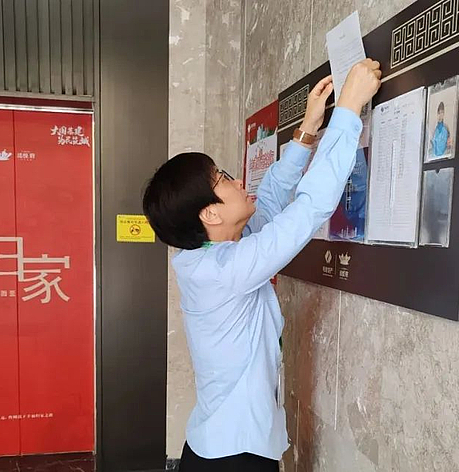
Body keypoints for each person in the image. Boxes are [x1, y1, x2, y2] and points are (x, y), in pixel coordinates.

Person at [142, 59, 381, 471]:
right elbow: (307, 210)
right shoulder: (223, 270)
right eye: (223, 179)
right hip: (234, 458)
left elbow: (268, 201)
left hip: (221, 446)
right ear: (210, 214)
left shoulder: (212, 255)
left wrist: (307, 131)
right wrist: (348, 110)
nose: (238, 182)